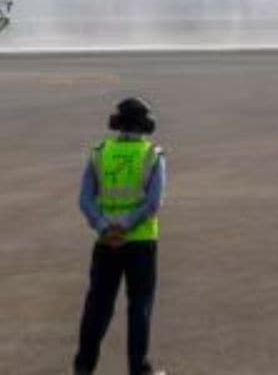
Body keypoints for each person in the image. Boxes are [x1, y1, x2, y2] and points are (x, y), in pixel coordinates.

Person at [73, 97, 168, 375]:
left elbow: (85, 200)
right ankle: (139, 370)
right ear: (145, 124)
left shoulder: (100, 153)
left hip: (106, 244)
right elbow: (153, 203)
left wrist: (105, 227)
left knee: (97, 307)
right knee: (140, 306)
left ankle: (83, 368)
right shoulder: (152, 155)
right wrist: (126, 225)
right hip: (141, 243)